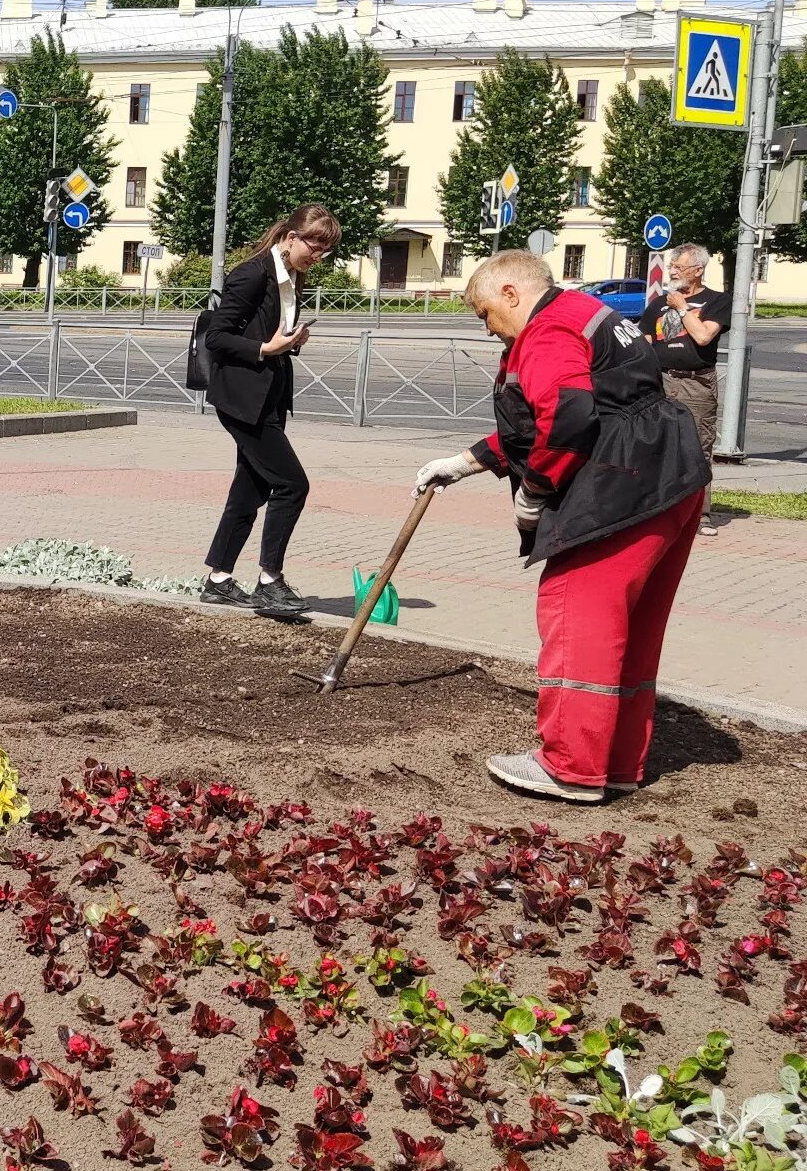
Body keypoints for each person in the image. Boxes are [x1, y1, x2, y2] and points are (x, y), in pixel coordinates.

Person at [414, 250, 709, 804]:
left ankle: (570, 765)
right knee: (634, 627)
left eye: (484, 314)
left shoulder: (547, 331)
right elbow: (578, 410)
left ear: (509, 292)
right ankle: (617, 761)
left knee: (577, 611)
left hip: (619, 490)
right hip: (668, 478)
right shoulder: (585, 313)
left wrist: (536, 491)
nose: (487, 328)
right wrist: (468, 461)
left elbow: (567, 420)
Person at [198, 203, 341, 619]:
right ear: (292, 237)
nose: (318, 256)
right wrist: (265, 348)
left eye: (325, 250)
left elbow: (270, 328)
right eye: (315, 246)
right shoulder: (253, 272)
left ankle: (219, 580)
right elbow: (217, 337)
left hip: (268, 397)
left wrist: (292, 340)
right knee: (292, 485)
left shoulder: (289, 275)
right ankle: (269, 581)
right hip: (244, 401)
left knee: (251, 489)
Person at [637, 243, 730, 537]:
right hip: (661, 382)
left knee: (697, 448)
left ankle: (699, 516)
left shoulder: (717, 301)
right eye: (671, 266)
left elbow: (703, 336)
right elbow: (644, 342)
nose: (673, 271)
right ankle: (656, 511)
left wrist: (682, 307)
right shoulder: (659, 304)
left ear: (698, 270)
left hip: (696, 383)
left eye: (679, 266)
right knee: (656, 445)